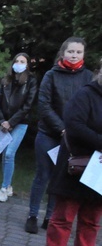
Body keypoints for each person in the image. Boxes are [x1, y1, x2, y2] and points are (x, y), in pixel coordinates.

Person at [25, 37, 94, 233]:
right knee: (43, 175)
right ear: (63, 53)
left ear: (83, 55)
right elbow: (44, 106)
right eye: (70, 51)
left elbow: (89, 107)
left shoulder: (88, 77)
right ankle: (32, 215)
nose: (74, 55)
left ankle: (50, 216)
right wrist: (62, 128)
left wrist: (76, 131)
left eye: (78, 52)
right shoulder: (51, 75)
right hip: (49, 134)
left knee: (60, 178)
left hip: (74, 138)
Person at [42, 66, 102, 246]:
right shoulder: (85, 94)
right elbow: (74, 126)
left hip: (99, 170)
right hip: (77, 164)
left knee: (92, 219)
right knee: (64, 216)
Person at [0, 53, 37, 202]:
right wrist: (2, 121)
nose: (19, 63)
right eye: (16, 61)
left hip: (20, 123)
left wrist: (11, 122)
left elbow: (27, 106)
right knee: (5, 154)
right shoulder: (6, 81)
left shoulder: (31, 81)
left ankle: (4, 188)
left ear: (27, 65)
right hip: (4, 123)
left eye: (22, 61)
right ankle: (7, 186)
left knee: (10, 153)